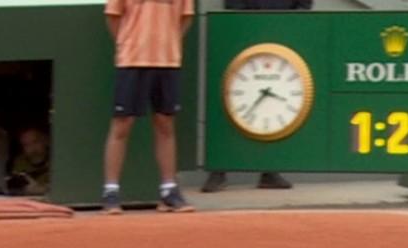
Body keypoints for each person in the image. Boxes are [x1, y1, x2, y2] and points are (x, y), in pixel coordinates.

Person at [201, 0, 312, 192]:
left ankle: (269, 171)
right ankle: (219, 170)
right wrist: (249, 20)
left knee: (271, 111)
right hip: (242, 34)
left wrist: (289, 22)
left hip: (283, 37)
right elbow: (232, 6)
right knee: (232, 103)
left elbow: (304, 6)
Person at [103, 0, 197, 213]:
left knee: (165, 123)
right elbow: (112, 15)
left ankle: (169, 191)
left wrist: (169, 43)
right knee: (122, 123)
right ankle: (111, 192)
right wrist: (128, 44)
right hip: (131, 60)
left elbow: (186, 17)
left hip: (168, 61)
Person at [7, 126, 53, 197]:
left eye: (35, 142)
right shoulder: (20, 162)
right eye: (27, 145)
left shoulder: (57, 160)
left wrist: (42, 189)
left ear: (46, 140)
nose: (32, 148)